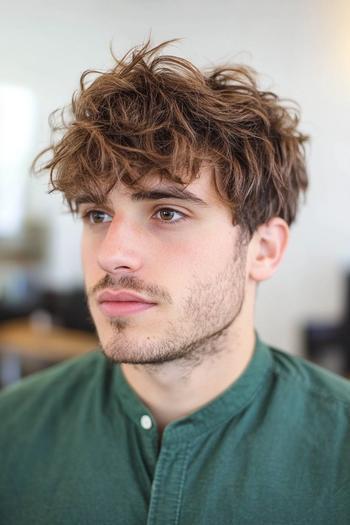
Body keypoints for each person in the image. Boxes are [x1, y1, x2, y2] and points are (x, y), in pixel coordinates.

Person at [0, 40, 349, 525]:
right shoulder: (12, 432)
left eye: (168, 212)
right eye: (97, 214)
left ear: (264, 250)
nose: (111, 254)